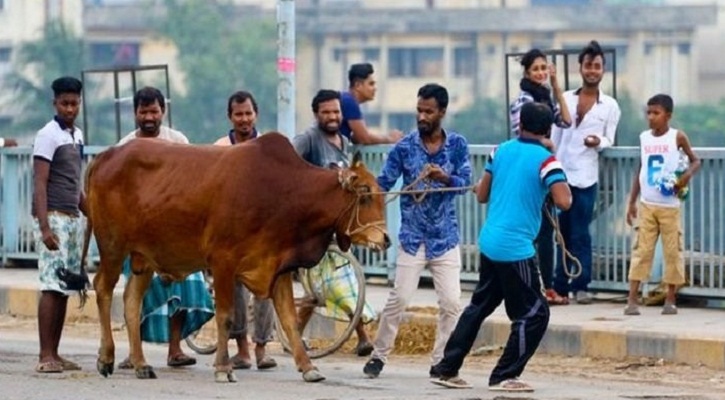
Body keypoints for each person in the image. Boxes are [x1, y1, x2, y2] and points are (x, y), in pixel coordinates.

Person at [430, 102, 572, 392]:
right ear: (547, 129)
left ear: (520, 124)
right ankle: (504, 375)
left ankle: (446, 368)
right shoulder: (547, 161)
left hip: (490, 241)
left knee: (479, 306)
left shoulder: (500, 150)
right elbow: (564, 201)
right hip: (515, 248)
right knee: (534, 314)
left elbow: (482, 195)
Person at [363, 83, 472, 379]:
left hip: (445, 237)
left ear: (442, 113)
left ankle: (441, 362)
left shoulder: (458, 145)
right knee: (399, 299)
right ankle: (379, 355)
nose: (422, 116)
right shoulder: (404, 147)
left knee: (451, 303)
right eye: (419, 110)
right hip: (412, 237)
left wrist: (444, 176)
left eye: (429, 111)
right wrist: (364, 192)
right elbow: (384, 182)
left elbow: (465, 182)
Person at [117, 87, 214, 369]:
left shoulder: (178, 141)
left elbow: (192, 185)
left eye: (154, 111)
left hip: (176, 232)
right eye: (143, 111)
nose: (149, 117)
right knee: (135, 291)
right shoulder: (124, 147)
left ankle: (175, 349)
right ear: (135, 113)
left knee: (185, 288)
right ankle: (134, 351)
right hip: (137, 235)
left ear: (163, 111)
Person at [292, 89, 377, 357]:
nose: (332, 116)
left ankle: (362, 338)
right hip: (313, 229)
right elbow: (291, 165)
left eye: (336, 112)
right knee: (316, 291)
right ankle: (293, 335)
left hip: (337, 226)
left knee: (347, 281)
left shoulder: (344, 140)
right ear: (316, 114)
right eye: (326, 112)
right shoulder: (308, 139)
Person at [551, 40, 621, 304]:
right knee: (561, 234)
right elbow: (555, 136)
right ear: (581, 68)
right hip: (561, 176)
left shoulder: (610, 105)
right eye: (588, 65)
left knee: (580, 232)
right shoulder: (566, 98)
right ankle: (560, 285)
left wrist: (597, 142)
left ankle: (581, 284)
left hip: (586, 177)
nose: (592, 70)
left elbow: (609, 139)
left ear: (603, 70)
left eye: (597, 66)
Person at [212, 90, 277, 370]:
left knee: (265, 289)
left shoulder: (267, 147)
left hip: (262, 231)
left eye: (248, 113)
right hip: (229, 233)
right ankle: (242, 351)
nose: (244, 119)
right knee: (233, 290)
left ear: (256, 114)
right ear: (230, 117)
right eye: (238, 114)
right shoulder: (219, 148)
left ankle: (262, 349)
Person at [624, 94, 700, 316]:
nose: (651, 117)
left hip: (670, 205)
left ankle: (670, 298)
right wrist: (632, 201)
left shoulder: (677, 137)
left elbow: (695, 161)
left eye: (656, 113)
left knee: (672, 251)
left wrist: (685, 177)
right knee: (641, 249)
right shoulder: (645, 138)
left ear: (668, 115)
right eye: (648, 113)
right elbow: (641, 168)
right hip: (647, 203)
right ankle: (632, 298)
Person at [31, 76, 86, 373]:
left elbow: (76, 186)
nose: (69, 109)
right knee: (51, 286)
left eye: (74, 103)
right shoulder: (48, 135)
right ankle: (44, 355)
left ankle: (56, 352)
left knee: (65, 286)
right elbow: (40, 182)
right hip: (53, 217)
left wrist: (97, 215)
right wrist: (44, 227)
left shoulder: (76, 136)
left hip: (73, 218)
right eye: (64, 103)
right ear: (55, 103)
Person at [510, 48, 572, 306]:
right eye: (535, 69)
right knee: (529, 232)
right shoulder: (522, 101)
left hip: (544, 171)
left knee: (546, 232)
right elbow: (522, 134)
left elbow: (567, 121)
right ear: (526, 72)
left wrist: (557, 85)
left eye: (543, 68)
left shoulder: (546, 97)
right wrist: (546, 141)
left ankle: (546, 287)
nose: (540, 73)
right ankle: (530, 286)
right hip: (528, 170)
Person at [340, 63, 403, 145]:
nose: (375, 88)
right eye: (371, 84)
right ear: (358, 85)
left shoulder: (346, 99)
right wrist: (390, 139)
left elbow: (356, 137)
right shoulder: (349, 102)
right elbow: (364, 138)